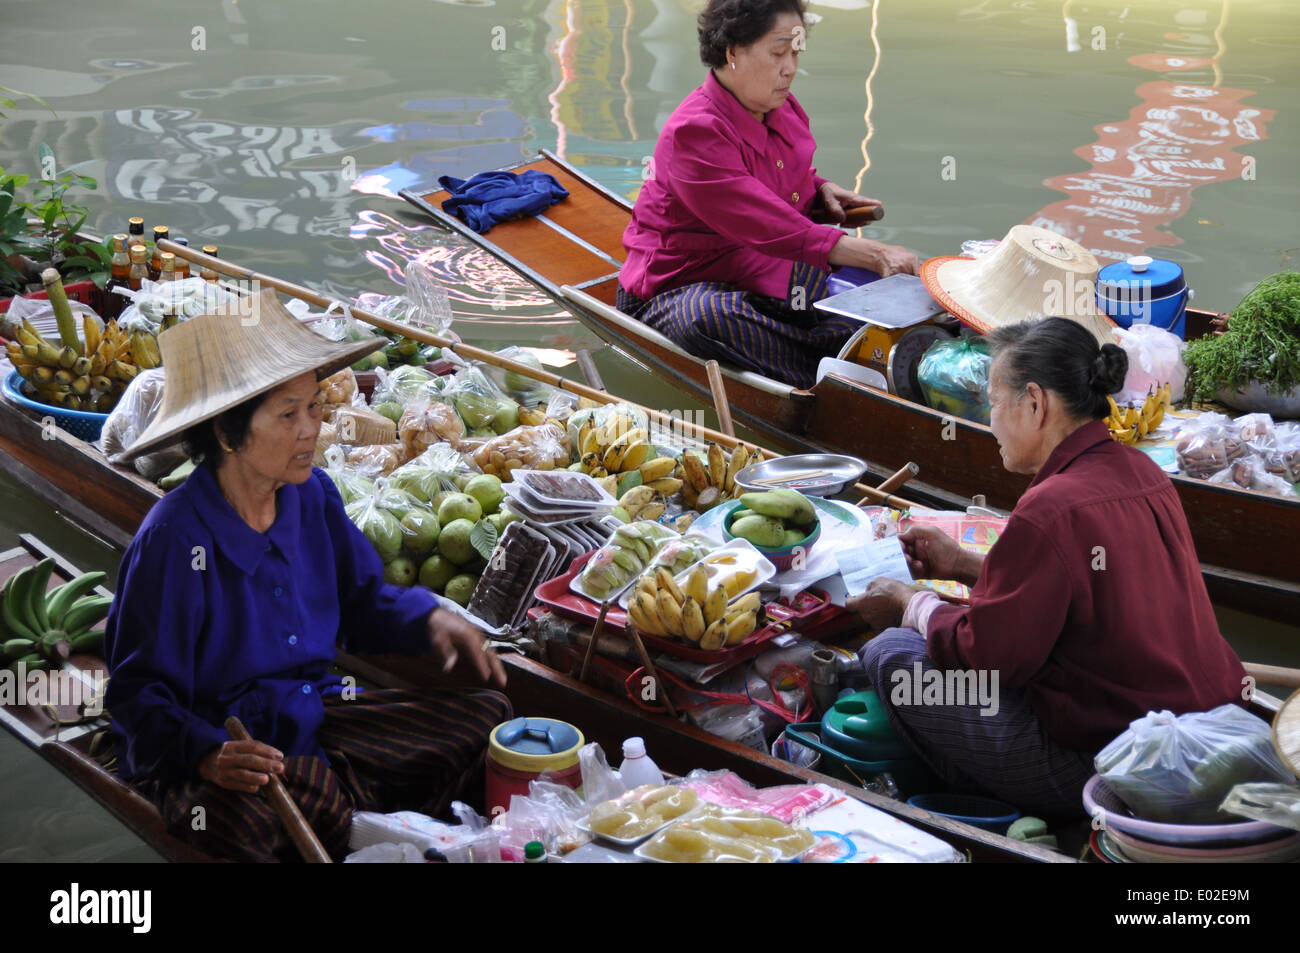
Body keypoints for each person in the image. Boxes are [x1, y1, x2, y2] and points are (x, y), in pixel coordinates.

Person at [105, 289, 510, 862]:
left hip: (316, 707)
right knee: (253, 826)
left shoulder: (311, 495)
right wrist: (204, 752)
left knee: (485, 720)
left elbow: (362, 601)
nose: (312, 430)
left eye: (314, 407)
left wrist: (433, 621)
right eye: (289, 414)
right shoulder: (175, 540)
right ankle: (360, 818)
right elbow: (135, 694)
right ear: (227, 434)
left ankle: (381, 826)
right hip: (231, 744)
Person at [846, 318, 1248, 817]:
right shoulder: (1143, 470)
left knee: (891, 654)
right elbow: (1079, 582)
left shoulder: (1051, 507)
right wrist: (963, 564)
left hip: (1106, 763)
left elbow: (989, 660)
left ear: (1035, 403)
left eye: (993, 403)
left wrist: (911, 603)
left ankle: (989, 801)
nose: (990, 421)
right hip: (1201, 727)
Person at [617, 0, 919, 389]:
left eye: (795, 53)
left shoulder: (781, 108)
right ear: (733, 53)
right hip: (678, 288)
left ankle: (848, 357)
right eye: (778, 53)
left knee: (868, 302)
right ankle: (826, 385)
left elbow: (779, 181)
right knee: (707, 319)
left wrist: (818, 190)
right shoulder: (694, 131)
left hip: (759, 269)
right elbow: (765, 223)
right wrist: (875, 252)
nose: (790, 68)